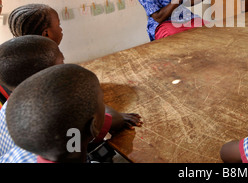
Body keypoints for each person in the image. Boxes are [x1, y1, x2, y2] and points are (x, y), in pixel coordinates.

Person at [0, 35, 142, 163]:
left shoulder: (19, 120)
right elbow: (78, 136)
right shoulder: (66, 124)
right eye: (62, 62)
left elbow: (72, 142)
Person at [6, 64, 107, 163]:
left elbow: (74, 141)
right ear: (94, 124)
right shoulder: (73, 143)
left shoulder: (27, 150)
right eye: (102, 100)